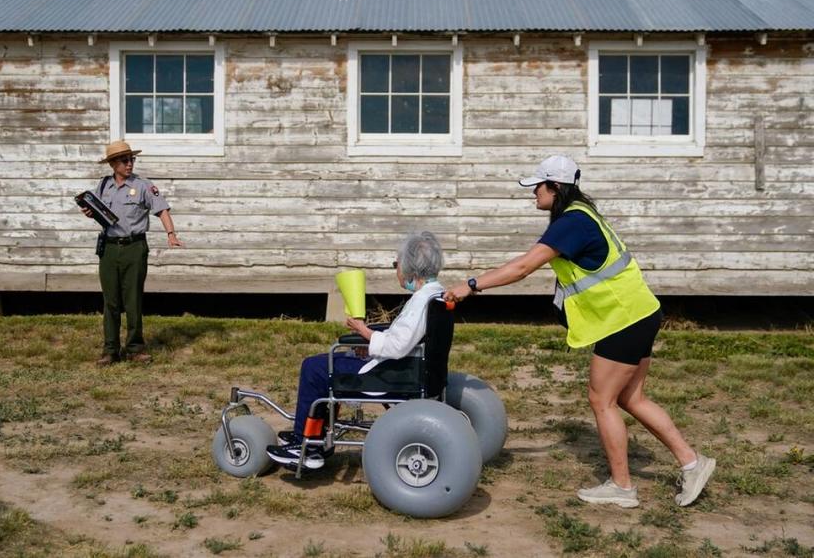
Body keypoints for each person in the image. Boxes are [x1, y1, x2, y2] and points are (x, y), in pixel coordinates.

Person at [445, 155, 714, 508]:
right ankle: (693, 463)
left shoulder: (572, 223)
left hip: (624, 320)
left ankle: (622, 487)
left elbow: (524, 266)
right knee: (632, 399)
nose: (533, 194)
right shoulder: (582, 216)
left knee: (601, 400)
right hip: (639, 313)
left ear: (554, 187)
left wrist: (472, 285)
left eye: (537, 187)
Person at [266, 231, 446, 470]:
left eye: (396, 264)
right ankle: (315, 435)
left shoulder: (421, 301)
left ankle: (306, 444)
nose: (396, 270)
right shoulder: (437, 295)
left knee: (315, 367)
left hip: (392, 373)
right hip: (407, 367)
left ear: (411, 268)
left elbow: (398, 345)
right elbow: (402, 338)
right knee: (326, 363)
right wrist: (370, 343)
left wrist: (364, 332)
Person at [81, 140, 184, 366]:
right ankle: (110, 350)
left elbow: (162, 210)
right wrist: (89, 213)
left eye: (131, 159)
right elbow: (98, 211)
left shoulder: (143, 185)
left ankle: (135, 348)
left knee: (133, 299)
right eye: (124, 160)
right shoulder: (104, 186)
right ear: (112, 164)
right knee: (111, 301)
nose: (129, 164)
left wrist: (171, 233)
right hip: (108, 248)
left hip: (134, 248)